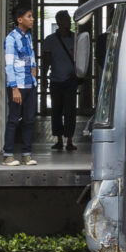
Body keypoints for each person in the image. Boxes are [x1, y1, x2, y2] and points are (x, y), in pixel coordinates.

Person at [42, 11, 84, 152]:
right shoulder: (50, 40)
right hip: (55, 80)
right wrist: (43, 77)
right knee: (56, 111)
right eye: (65, 19)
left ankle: (70, 140)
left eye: (68, 19)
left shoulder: (76, 39)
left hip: (70, 80)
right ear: (59, 21)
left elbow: (81, 57)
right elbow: (46, 61)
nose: (68, 22)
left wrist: (78, 72)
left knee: (70, 111)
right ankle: (59, 140)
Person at [2, 6, 38, 166]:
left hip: (30, 84)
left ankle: (26, 154)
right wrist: (14, 88)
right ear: (20, 19)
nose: (32, 19)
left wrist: (35, 67)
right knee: (14, 120)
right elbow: (9, 65)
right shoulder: (11, 39)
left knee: (29, 120)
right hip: (17, 86)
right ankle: (8, 155)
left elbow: (31, 56)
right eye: (29, 16)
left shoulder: (28, 36)